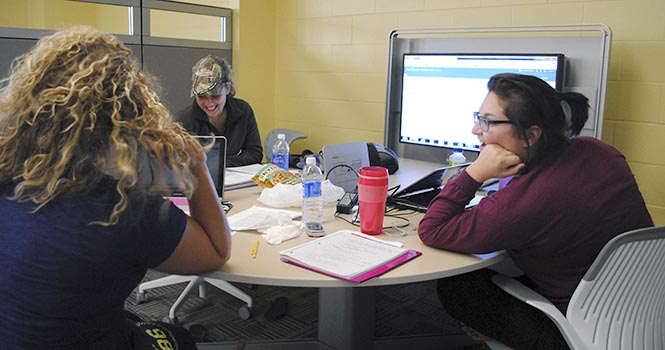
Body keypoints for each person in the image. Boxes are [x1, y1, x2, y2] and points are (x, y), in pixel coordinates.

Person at [0, 26, 232, 349]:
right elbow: (217, 251)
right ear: (126, 115)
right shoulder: (124, 208)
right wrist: (194, 163)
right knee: (179, 338)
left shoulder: (8, 179)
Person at [418, 73, 653, 349]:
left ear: (531, 135)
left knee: (459, 285)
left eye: (487, 122)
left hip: (578, 328)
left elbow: (432, 228)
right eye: (477, 117)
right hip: (642, 308)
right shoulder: (600, 150)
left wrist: (474, 173)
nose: (475, 130)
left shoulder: (525, 204)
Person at [175, 55, 263, 167]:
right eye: (202, 96)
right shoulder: (183, 121)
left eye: (215, 95)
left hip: (236, 179)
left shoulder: (243, 111)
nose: (209, 103)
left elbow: (254, 153)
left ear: (228, 88)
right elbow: (178, 161)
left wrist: (220, 163)